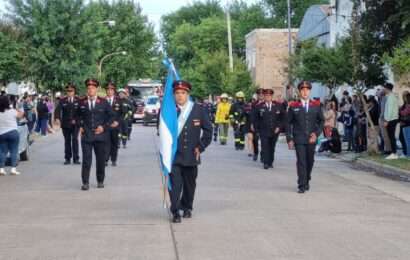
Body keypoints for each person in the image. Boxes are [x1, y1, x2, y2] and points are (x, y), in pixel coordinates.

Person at [169, 80, 212, 223]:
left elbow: (208, 131)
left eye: (183, 93)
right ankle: (175, 211)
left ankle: (187, 207)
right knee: (175, 185)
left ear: (188, 94)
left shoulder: (198, 109)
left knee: (189, 184)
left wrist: (200, 147)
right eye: (177, 93)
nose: (180, 96)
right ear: (174, 95)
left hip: (192, 155)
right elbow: (162, 131)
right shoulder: (168, 111)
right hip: (174, 156)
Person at [287, 81, 324, 194]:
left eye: (307, 90)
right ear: (299, 91)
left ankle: (307, 178)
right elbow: (288, 123)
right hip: (299, 138)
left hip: (311, 138)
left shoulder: (316, 106)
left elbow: (321, 121)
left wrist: (316, 133)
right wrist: (289, 138)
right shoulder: (293, 106)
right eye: (302, 90)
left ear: (309, 91)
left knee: (310, 161)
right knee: (301, 161)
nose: (305, 92)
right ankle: (302, 184)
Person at [78, 78, 114, 191]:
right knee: (86, 160)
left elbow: (112, 116)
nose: (90, 90)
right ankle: (85, 182)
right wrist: (80, 126)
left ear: (97, 89)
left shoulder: (103, 102)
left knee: (100, 160)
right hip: (87, 136)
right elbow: (76, 116)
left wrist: (104, 127)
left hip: (100, 136)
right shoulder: (81, 102)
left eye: (93, 88)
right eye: (88, 88)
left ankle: (100, 180)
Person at [255, 89, 287, 169]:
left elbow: (283, 117)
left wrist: (279, 127)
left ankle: (270, 161)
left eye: (269, 96)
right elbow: (255, 118)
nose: (267, 97)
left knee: (272, 147)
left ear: (272, 96)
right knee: (264, 146)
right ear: (264, 96)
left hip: (274, 130)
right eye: (266, 96)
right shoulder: (259, 106)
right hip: (263, 130)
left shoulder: (278, 105)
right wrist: (257, 128)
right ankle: (265, 163)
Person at [54, 83, 81, 165]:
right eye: (68, 91)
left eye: (71, 91)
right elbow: (57, 110)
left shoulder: (78, 100)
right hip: (65, 124)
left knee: (75, 140)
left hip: (75, 124)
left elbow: (81, 112)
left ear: (74, 91)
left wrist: (77, 120)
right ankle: (67, 158)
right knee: (67, 141)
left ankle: (76, 158)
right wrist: (57, 118)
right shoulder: (63, 100)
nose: (69, 92)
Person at [0, 96, 24, 175]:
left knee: (3, 152)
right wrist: (17, 108)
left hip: (2, 134)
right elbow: (21, 115)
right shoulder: (12, 111)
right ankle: (13, 169)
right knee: (14, 151)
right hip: (13, 133)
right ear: (8, 102)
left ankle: (1, 169)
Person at [105, 82, 121, 166]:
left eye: (111, 89)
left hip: (115, 126)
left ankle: (114, 160)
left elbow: (122, 113)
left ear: (114, 91)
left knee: (114, 143)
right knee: (106, 144)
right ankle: (106, 160)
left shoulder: (118, 100)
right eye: (108, 89)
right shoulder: (102, 100)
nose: (109, 91)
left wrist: (117, 121)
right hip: (106, 126)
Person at [383, 83, 399, 159]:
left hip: (391, 119)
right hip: (392, 119)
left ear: (387, 89)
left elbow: (390, 110)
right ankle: (393, 153)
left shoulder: (391, 97)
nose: (383, 89)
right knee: (391, 137)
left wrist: (387, 120)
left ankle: (394, 153)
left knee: (391, 137)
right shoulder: (390, 96)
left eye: (384, 88)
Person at [250, 88, 265, 162]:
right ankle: (256, 152)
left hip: (264, 125)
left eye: (262, 94)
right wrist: (252, 124)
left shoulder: (267, 103)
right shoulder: (254, 104)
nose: (261, 96)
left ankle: (263, 155)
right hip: (256, 124)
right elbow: (252, 115)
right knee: (255, 140)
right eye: (259, 94)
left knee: (264, 141)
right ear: (257, 95)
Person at [399, 91, 410, 157]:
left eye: (405, 96)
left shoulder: (408, 105)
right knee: (402, 138)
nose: (404, 97)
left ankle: (407, 154)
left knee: (408, 140)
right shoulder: (404, 105)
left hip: (407, 124)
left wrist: (400, 111)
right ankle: (405, 152)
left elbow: (404, 113)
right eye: (403, 96)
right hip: (403, 124)